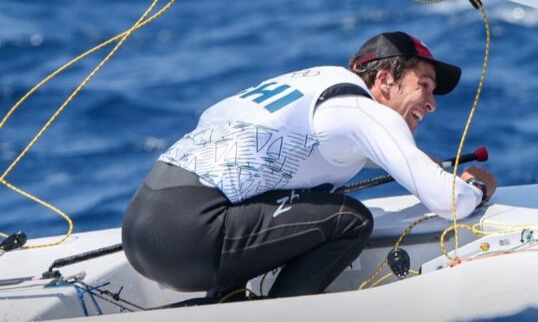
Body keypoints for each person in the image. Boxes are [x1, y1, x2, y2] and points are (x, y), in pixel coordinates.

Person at [122, 31, 497, 299]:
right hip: (190, 237)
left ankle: (226, 302)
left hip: (143, 227)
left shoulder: (315, 85)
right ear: (384, 79)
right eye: (425, 85)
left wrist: (419, 161)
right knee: (348, 219)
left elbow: (341, 149)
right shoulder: (360, 110)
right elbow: (449, 202)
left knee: (294, 202)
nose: (432, 103)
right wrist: (475, 187)